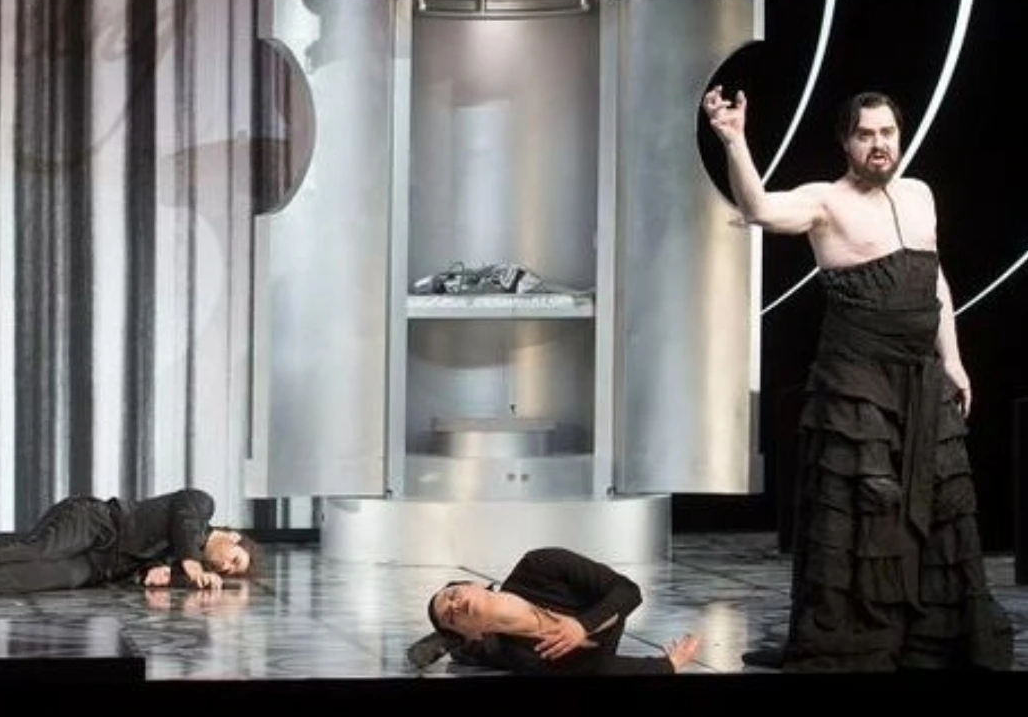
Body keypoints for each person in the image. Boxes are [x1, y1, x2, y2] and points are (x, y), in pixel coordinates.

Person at [702, 85, 1013, 671]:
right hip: (855, 379)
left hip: (922, 377)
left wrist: (953, 359)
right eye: (865, 134)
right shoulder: (825, 201)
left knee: (943, 501)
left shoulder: (920, 194)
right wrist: (735, 141)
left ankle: (929, 634)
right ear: (846, 142)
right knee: (864, 504)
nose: (878, 144)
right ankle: (855, 637)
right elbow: (760, 209)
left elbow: (935, 280)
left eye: (887, 132)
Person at [408, 545, 701, 675]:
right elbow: (596, 670)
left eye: (453, 595)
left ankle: (448, 636)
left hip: (601, 616)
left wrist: (582, 626)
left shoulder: (541, 565)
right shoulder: (523, 657)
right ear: (473, 632)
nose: (455, 605)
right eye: (451, 615)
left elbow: (628, 591)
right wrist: (666, 666)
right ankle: (451, 641)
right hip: (494, 644)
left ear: (476, 584)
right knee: (477, 653)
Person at [0, 487, 259, 598]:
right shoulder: (202, 504)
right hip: (96, 522)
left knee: (59, 577)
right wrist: (192, 564)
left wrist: (149, 573)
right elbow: (184, 518)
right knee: (42, 548)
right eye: (235, 558)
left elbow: (143, 560)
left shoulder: (181, 564)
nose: (225, 566)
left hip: (100, 565)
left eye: (230, 571)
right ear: (233, 537)